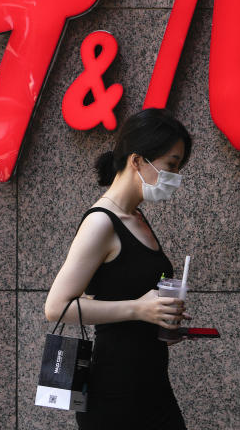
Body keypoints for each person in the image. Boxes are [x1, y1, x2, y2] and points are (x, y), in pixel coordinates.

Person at [45, 108, 193, 429]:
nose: (175, 177)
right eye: (171, 165)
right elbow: (56, 307)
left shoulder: (137, 218)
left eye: (179, 167)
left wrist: (163, 319)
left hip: (152, 384)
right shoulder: (101, 222)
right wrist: (139, 310)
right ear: (137, 160)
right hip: (114, 392)